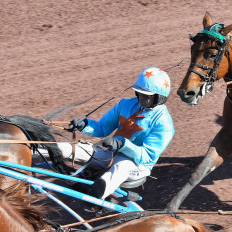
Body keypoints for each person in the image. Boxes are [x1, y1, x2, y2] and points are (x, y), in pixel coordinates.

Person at [67, 67, 175, 202]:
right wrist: (84, 125)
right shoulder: (125, 104)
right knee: (75, 149)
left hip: (137, 165)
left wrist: (122, 144)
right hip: (112, 154)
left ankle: (94, 200)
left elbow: (146, 157)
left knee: (121, 167)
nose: (141, 98)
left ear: (159, 98)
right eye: (139, 93)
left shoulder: (164, 124)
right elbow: (102, 128)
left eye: (147, 96)